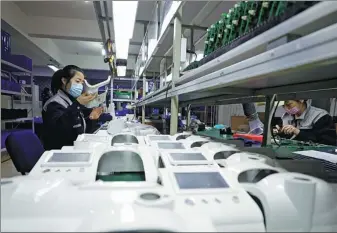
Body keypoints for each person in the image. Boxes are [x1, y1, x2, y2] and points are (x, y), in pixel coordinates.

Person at [42, 65, 103, 150]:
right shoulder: (54, 103)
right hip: (60, 153)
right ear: (64, 80)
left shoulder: (71, 102)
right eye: (77, 81)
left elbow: (79, 131)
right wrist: (77, 104)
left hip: (73, 149)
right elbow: (61, 129)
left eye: (82, 83)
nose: (80, 86)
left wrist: (92, 119)